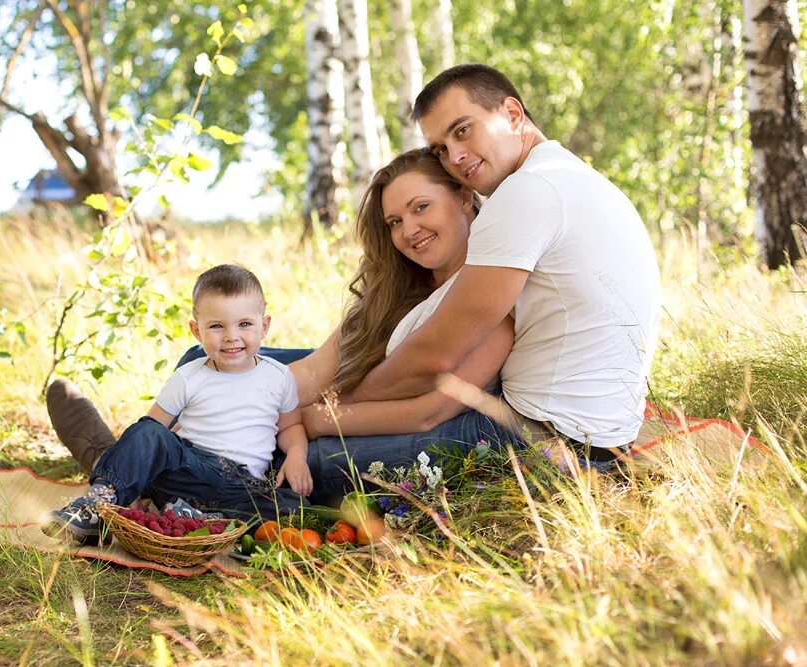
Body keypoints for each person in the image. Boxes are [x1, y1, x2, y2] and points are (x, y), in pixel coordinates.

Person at [48, 149, 521, 505]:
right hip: (346, 400)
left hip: (397, 425)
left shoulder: (491, 287)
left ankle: (120, 466)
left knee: (292, 459)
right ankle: (149, 465)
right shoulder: (399, 287)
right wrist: (257, 399)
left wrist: (307, 418)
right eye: (395, 220)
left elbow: (429, 411)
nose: (408, 231)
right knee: (206, 360)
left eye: (421, 207)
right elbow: (319, 370)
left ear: (463, 197)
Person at [348, 64, 661, 465]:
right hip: (600, 439)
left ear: (512, 114)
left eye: (463, 130)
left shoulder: (528, 190)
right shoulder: (570, 176)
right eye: (441, 149)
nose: (455, 157)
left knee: (318, 454)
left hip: (544, 441)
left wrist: (342, 404)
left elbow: (434, 355)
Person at [42, 264, 310, 544]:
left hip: (242, 485)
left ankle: (186, 515)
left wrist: (296, 455)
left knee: (295, 510)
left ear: (264, 326)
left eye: (244, 324)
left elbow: (291, 425)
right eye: (217, 326)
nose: (232, 336)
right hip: (191, 468)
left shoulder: (278, 376)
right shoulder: (189, 376)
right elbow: (151, 431)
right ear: (196, 331)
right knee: (148, 433)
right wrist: (149, 456)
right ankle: (97, 505)